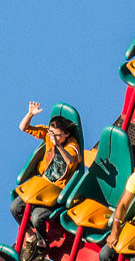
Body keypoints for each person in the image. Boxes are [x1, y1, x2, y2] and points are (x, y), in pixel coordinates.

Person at [9, 102, 81, 244]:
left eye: (59, 135)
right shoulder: (49, 135)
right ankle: (30, 236)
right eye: (52, 134)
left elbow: (70, 160)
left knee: (37, 217)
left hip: (58, 190)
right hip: (42, 183)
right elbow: (23, 127)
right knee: (14, 208)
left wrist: (58, 145)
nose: (55, 137)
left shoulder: (72, 145)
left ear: (66, 134)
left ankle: (42, 243)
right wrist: (30, 114)